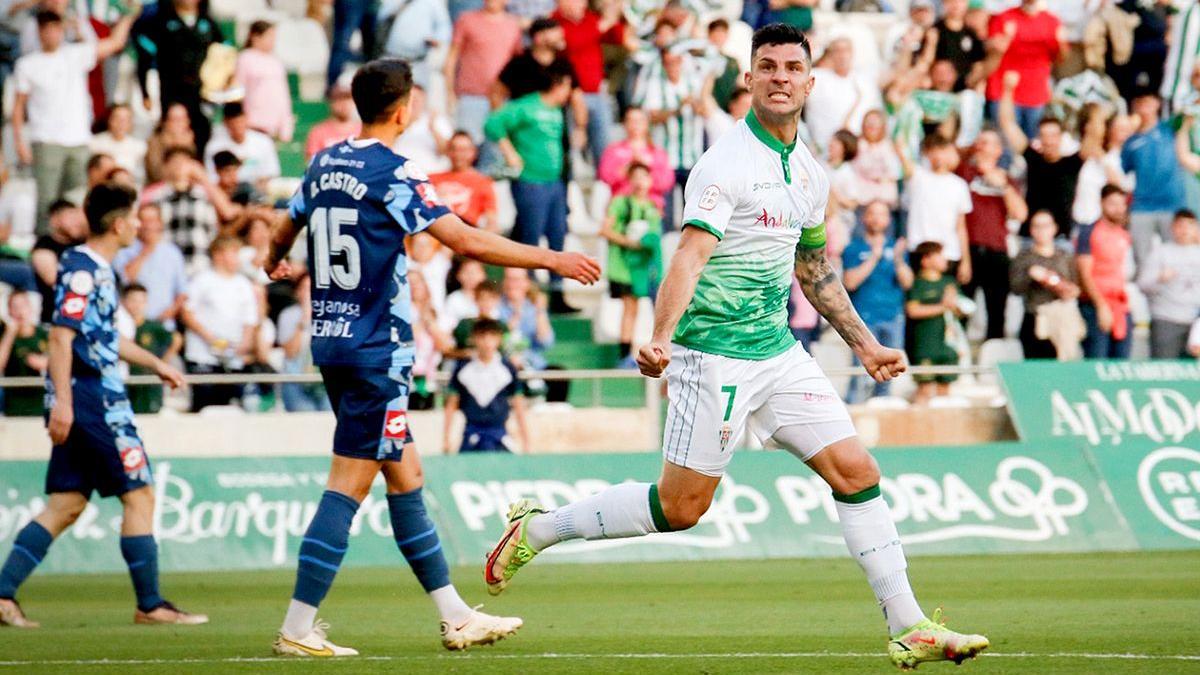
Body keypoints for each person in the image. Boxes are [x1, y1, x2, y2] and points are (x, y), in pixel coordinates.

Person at [482, 25, 988, 671]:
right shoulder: (725, 163)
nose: (780, 76)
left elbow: (813, 267)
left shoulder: (810, 169)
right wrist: (661, 337)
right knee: (681, 507)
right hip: (712, 355)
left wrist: (863, 343)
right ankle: (539, 527)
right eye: (767, 66)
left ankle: (908, 624)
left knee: (858, 471)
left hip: (777, 352)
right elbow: (691, 253)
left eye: (792, 67)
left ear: (811, 82)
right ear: (748, 79)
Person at [262, 58, 600, 656]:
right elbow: (464, 239)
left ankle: (455, 614)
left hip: (331, 338)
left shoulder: (324, 162)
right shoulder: (394, 171)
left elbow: (285, 225)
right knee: (346, 483)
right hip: (374, 348)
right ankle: (296, 627)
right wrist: (552, 260)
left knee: (406, 475)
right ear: (404, 108)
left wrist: (274, 260)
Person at [0, 182, 201, 629]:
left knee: (67, 504)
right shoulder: (84, 271)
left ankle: (2, 595)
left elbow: (104, 338)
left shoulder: (97, 269)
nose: (139, 225)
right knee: (140, 493)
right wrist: (65, 405)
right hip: (94, 401)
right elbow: (60, 336)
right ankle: (150, 604)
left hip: (89, 397)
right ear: (117, 224)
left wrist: (154, 364)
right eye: (134, 218)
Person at [14, 8, 138, 234]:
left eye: (55, 29)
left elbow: (115, 42)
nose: (51, 34)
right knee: (47, 202)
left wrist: (130, 13)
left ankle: (75, 243)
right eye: (46, 29)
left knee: (77, 197)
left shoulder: (75, 54)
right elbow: (18, 106)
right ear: (40, 32)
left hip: (78, 139)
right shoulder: (28, 64)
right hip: (46, 140)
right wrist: (20, 142)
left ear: (62, 30)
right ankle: (45, 246)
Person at [486, 65, 577, 313]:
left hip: (554, 182)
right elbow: (493, 124)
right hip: (530, 181)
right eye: (567, 86)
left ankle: (558, 293)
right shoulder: (527, 106)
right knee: (531, 236)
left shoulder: (557, 111)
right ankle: (529, 295)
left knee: (558, 234)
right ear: (557, 85)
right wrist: (510, 152)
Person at [956, 129, 1028, 340]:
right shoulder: (964, 172)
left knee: (997, 311)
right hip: (968, 249)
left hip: (996, 250)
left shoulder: (1007, 179)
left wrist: (1003, 186)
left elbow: (1020, 213)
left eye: (986, 142)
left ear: (998, 150)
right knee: (963, 306)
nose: (981, 145)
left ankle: (994, 358)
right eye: (979, 141)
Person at [843, 200, 913, 403]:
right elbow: (850, 282)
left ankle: (882, 406)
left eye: (881, 214)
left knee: (890, 371)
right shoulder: (854, 248)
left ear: (888, 219)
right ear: (864, 218)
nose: (876, 218)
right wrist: (874, 256)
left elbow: (907, 282)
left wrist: (899, 260)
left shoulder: (897, 248)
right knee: (859, 371)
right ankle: (854, 408)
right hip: (864, 318)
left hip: (893, 316)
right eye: (872, 213)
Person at [999, 72, 1082, 239]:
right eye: (1045, 135)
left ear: (1060, 137)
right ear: (1039, 138)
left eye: (1053, 135)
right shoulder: (1033, 159)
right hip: (1029, 237)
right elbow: (1008, 123)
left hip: (1061, 239)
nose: (1049, 141)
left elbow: (1093, 138)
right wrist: (1008, 90)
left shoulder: (1073, 163)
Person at [180, 236, 259, 411]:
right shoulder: (202, 280)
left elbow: (250, 319)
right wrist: (209, 337)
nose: (237, 259)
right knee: (203, 409)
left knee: (230, 409)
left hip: (233, 360)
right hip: (203, 358)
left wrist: (245, 343)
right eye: (233, 253)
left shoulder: (243, 284)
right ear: (218, 255)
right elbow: (186, 312)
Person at [133, 0, 225, 151]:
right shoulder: (160, 22)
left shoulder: (208, 23)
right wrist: (145, 93)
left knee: (201, 130)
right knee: (173, 132)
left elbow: (222, 54)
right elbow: (144, 58)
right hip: (172, 90)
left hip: (201, 92)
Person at [600, 161, 662, 365]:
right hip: (623, 267)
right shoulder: (620, 202)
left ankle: (644, 350)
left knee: (643, 306)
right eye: (635, 177)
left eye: (643, 177)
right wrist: (628, 242)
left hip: (643, 268)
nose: (640, 182)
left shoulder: (653, 207)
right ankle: (624, 354)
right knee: (630, 306)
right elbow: (605, 230)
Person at [553, 0, 627, 164]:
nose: (583, 5)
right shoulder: (555, 20)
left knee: (603, 145)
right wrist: (602, 25)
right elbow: (572, 44)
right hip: (572, 95)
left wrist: (614, 13)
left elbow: (617, 37)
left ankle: (604, 181)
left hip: (597, 92)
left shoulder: (590, 19)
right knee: (575, 147)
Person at [443, 318, 531, 453]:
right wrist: (446, 438)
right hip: (471, 435)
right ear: (474, 339)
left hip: (499, 435)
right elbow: (451, 404)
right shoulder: (463, 368)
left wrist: (526, 440)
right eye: (482, 336)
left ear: (499, 339)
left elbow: (518, 404)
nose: (487, 341)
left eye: (492, 336)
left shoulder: (507, 368)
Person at [443, 0, 523, 143]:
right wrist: (449, 93)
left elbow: (517, 62)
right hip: (471, 97)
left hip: (501, 100)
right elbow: (451, 58)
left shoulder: (513, 24)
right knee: (466, 147)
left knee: (496, 151)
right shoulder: (466, 19)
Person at [899, 134, 973, 285]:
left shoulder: (959, 185)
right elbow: (902, 155)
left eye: (941, 150)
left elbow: (961, 227)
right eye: (932, 150)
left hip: (949, 253)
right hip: (919, 250)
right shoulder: (917, 177)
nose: (937, 155)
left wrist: (966, 260)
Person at [1122, 92, 1186, 266]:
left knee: (1176, 259)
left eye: (1149, 102)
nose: (1145, 107)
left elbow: (1188, 110)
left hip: (1171, 204)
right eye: (1141, 102)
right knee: (1142, 260)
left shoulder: (1170, 128)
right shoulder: (1130, 142)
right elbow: (1123, 172)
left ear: (1157, 104)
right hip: (1142, 206)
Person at [985, 0, 1063, 139]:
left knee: (1034, 146)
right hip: (1004, 90)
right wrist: (1003, 40)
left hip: (1036, 93)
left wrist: (1061, 43)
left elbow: (1060, 57)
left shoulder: (1051, 21)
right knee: (1006, 146)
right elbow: (990, 50)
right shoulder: (1004, 18)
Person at [1010, 210, 1080, 359]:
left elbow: (1075, 288)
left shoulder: (1064, 256)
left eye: (1046, 226)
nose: (1042, 231)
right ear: (1031, 230)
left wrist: (1052, 281)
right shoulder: (1024, 257)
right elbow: (1016, 288)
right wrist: (1031, 277)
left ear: (1054, 228)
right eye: (1037, 226)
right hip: (1035, 316)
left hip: (1061, 317)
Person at [1076, 184, 1133, 359]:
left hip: (1120, 306)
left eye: (1121, 204)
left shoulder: (1124, 234)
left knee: (1121, 364)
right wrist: (1101, 306)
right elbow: (1084, 272)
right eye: (1112, 204)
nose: (1118, 209)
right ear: (1102, 203)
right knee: (1097, 362)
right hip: (1095, 306)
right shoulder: (1089, 232)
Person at [112, 203, 188, 328]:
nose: (148, 225)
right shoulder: (125, 248)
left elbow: (182, 292)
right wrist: (147, 249)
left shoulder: (172, 252)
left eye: (152, 220)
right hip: (131, 325)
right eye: (143, 220)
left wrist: (168, 313)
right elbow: (126, 279)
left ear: (160, 223)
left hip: (163, 327)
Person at [1137, 210, 1200, 359]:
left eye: (1189, 226)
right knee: (1165, 368)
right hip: (1166, 319)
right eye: (1181, 226)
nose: (1185, 230)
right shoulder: (1161, 252)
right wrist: (1159, 278)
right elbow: (1142, 284)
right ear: (1173, 228)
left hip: (1195, 322)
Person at [906, 241, 962, 405]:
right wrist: (943, 306)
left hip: (947, 345)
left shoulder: (949, 282)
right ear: (926, 259)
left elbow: (961, 310)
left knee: (945, 391)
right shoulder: (918, 283)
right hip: (925, 346)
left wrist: (955, 305)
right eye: (939, 255)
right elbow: (913, 310)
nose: (945, 259)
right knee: (924, 390)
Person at [597, 106, 674, 211]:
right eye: (631, 120)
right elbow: (605, 176)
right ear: (624, 123)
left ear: (647, 124)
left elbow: (666, 182)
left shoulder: (657, 152)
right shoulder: (613, 150)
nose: (635, 125)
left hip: (652, 207)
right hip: (622, 207)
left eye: (639, 120)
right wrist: (626, 169)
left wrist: (647, 169)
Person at [120, 283, 181, 414]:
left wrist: (163, 363)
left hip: (148, 384)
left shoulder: (152, 327)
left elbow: (176, 339)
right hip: (125, 380)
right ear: (123, 301)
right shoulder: (119, 327)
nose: (137, 305)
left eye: (141, 301)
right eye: (133, 300)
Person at [277, 274, 330, 412]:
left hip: (324, 382)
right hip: (296, 381)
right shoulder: (288, 315)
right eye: (306, 289)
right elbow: (290, 353)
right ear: (297, 292)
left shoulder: (331, 316)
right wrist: (304, 320)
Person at [234, 20, 294, 142]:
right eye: (269, 36)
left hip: (273, 126)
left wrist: (286, 125)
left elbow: (283, 96)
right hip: (252, 124)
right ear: (255, 37)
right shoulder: (245, 58)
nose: (272, 41)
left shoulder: (276, 62)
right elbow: (238, 90)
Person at [204, 102, 281, 193]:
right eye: (233, 123)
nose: (237, 127)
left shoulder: (264, 141)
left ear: (246, 119)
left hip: (259, 192)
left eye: (240, 122)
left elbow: (272, 173)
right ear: (225, 123)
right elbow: (212, 179)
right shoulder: (214, 147)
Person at [31, 200, 87, 324]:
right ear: (54, 220)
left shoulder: (82, 245)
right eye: (71, 217)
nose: (77, 222)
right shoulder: (44, 246)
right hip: (53, 317)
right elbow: (53, 279)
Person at [429, 132, 497, 231]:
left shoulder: (483, 182)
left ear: (473, 152)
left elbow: (492, 221)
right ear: (448, 151)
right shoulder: (430, 179)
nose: (458, 154)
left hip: (464, 232)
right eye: (454, 149)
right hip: (434, 231)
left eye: (463, 150)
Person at [0, 292, 48, 416]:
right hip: (15, 407)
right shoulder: (5, 336)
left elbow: (60, 363)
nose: (20, 312)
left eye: (22, 306)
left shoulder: (43, 334)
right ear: (9, 311)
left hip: (42, 405)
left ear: (30, 308)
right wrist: (9, 335)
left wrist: (45, 362)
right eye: (14, 307)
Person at [498, 267, 555, 370]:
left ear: (527, 283)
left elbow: (546, 342)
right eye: (508, 279)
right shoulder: (496, 305)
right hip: (504, 366)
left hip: (533, 364)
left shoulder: (534, 308)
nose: (511, 284)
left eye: (516, 280)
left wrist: (540, 311)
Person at [90, 104, 148, 186]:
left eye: (125, 120)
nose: (121, 124)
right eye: (117, 118)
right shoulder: (94, 143)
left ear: (131, 123)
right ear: (109, 120)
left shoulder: (140, 146)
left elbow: (140, 177)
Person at [305, 81, 361, 161]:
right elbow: (312, 163)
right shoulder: (318, 132)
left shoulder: (363, 131)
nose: (344, 104)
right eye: (339, 99)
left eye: (348, 99)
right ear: (331, 102)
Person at [144, 103, 197, 185]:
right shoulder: (155, 142)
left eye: (182, 119)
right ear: (166, 123)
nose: (179, 124)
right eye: (175, 120)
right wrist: (177, 145)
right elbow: (156, 174)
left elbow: (195, 172)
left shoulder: (190, 141)